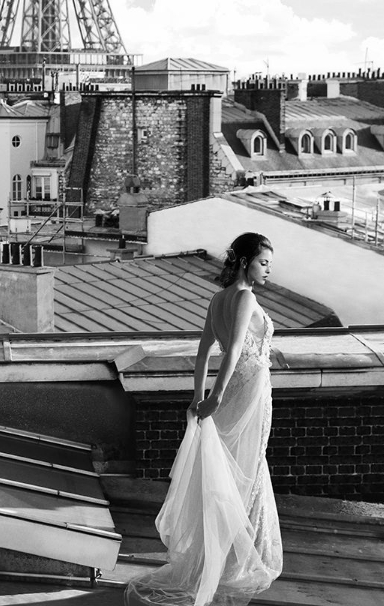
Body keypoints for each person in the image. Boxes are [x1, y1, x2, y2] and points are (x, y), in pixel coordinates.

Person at [124, 232, 283, 606]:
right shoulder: (245, 297)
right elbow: (228, 356)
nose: (268, 271)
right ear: (245, 261)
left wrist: (199, 395)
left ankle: (223, 556)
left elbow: (203, 355)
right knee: (245, 468)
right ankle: (231, 562)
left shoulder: (218, 298)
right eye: (263, 263)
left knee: (232, 469)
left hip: (242, 389)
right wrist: (214, 398)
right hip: (246, 394)